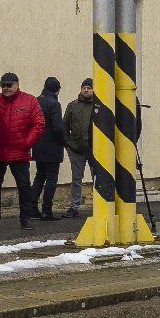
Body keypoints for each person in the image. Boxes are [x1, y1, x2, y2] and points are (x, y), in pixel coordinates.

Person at [0, 72, 43, 230]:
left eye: (9, 85)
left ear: (17, 85)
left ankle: (25, 218)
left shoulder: (30, 100)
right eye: (3, 85)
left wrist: (27, 143)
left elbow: (39, 124)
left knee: (24, 186)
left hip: (19, 151)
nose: (6, 88)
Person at [62, 77, 98, 218]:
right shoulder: (73, 106)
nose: (86, 89)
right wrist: (68, 144)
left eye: (89, 87)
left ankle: (99, 205)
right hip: (76, 149)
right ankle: (74, 207)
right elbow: (64, 126)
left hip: (94, 149)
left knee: (97, 178)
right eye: (84, 87)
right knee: (76, 179)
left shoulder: (98, 106)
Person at [33, 76, 67, 220]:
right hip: (52, 147)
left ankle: (31, 207)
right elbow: (58, 127)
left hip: (38, 145)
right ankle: (47, 210)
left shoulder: (37, 101)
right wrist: (65, 141)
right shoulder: (54, 104)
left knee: (39, 177)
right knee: (51, 179)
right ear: (57, 90)